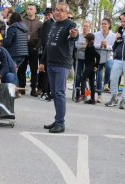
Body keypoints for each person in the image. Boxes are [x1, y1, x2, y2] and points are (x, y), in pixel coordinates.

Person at [39, 2, 78, 133]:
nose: (58, 12)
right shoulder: (54, 24)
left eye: (62, 11)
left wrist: (74, 35)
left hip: (62, 64)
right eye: (57, 10)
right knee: (55, 93)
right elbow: (48, 45)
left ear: (67, 13)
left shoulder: (70, 24)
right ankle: (57, 120)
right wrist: (43, 62)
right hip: (51, 63)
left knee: (60, 93)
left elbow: (73, 35)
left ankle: (61, 123)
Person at [17, 3, 42, 97]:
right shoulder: (22, 21)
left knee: (34, 69)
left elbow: (41, 37)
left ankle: (33, 89)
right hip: (23, 47)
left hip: (34, 48)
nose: (29, 10)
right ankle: (22, 88)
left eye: (31, 9)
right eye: (28, 9)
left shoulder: (39, 23)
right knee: (21, 69)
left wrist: (36, 47)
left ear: (35, 11)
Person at [105, 14, 125, 109]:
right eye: (121, 21)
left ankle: (124, 101)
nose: (122, 23)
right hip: (117, 59)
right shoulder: (120, 31)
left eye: (124, 21)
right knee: (113, 78)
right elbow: (113, 47)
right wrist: (116, 39)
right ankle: (114, 98)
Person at [94, 18, 115, 103]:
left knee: (109, 67)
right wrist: (100, 45)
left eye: (105, 24)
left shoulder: (113, 35)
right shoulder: (96, 34)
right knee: (99, 75)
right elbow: (93, 44)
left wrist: (107, 46)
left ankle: (106, 83)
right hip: (99, 57)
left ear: (109, 25)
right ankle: (99, 95)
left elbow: (114, 46)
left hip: (109, 56)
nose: (103, 25)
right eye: (102, 24)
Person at [77, 33, 100, 104]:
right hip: (89, 66)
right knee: (91, 83)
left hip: (91, 66)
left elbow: (98, 56)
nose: (86, 40)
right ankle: (92, 99)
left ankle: (83, 94)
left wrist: (96, 66)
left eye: (87, 39)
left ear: (91, 40)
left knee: (83, 78)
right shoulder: (88, 46)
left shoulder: (91, 47)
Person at [75, 21, 91, 99]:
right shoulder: (79, 36)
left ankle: (86, 94)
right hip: (79, 59)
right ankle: (77, 93)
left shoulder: (91, 36)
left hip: (88, 60)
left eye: (87, 26)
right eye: (84, 26)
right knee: (78, 76)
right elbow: (76, 45)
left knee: (86, 77)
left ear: (89, 28)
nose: (85, 28)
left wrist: (85, 46)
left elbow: (92, 46)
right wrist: (83, 46)